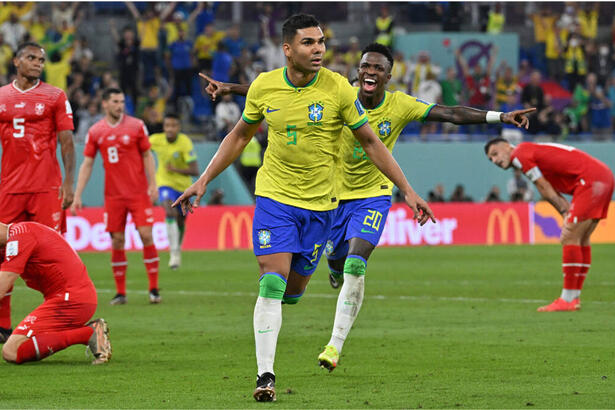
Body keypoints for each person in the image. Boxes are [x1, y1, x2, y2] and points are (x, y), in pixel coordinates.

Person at [200, 42, 535, 376]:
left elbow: (450, 113)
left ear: (388, 77)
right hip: (330, 197)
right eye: (365, 67)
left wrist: (501, 116)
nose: (370, 72)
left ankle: (334, 345)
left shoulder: (400, 105)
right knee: (336, 263)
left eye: (377, 69)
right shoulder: (337, 93)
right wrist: (230, 88)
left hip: (373, 194)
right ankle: (334, 267)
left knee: (356, 264)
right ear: (358, 72)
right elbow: (280, 91)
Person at [174, 15, 435, 402]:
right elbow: (239, 135)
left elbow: (372, 143)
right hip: (274, 199)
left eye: (321, 42)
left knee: (293, 292)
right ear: (287, 49)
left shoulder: (337, 90)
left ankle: (305, 282)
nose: (319, 50)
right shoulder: (264, 87)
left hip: (320, 209)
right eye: (309, 43)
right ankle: (265, 376)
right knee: (271, 283)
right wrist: (203, 179)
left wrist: (408, 191)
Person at [0, 42, 76, 344]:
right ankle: (3, 326)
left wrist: (69, 183)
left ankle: (56, 319)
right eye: (31, 58)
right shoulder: (1, 96)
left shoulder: (55, 96)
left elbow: (67, 142)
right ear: (17, 61)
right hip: (9, 189)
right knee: (2, 255)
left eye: (41, 60)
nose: (38, 64)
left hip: (46, 188)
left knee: (52, 258)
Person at [485, 138, 614, 312]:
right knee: (581, 238)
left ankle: (567, 299)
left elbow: (543, 186)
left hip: (589, 180)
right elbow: (550, 186)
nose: (495, 161)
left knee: (569, 237)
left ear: (508, 146)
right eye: (490, 160)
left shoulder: (519, 154)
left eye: (495, 154)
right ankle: (573, 298)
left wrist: (563, 212)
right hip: (601, 176)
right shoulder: (529, 151)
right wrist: (566, 210)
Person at [71, 88, 160, 306]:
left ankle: (154, 289)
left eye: (122, 101)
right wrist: (77, 194)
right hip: (113, 196)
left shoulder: (137, 125)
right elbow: (88, 163)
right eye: (115, 101)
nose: (120, 105)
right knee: (117, 240)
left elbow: (147, 155)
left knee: (146, 234)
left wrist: (153, 183)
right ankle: (120, 293)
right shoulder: (95, 131)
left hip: (138, 192)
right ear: (105, 104)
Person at [0, 221, 111, 365]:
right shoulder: (14, 238)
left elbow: (4, 283)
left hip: (71, 301)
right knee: (15, 348)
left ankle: (89, 333)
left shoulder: (20, 237)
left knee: (11, 352)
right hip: (70, 299)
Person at [149, 113, 199, 270]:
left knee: (181, 220)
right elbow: (140, 145)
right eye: (167, 126)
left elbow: (194, 170)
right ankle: (174, 253)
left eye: (173, 126)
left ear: (178, 127)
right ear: (164, 127)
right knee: (169, 211)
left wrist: (174, 169)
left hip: (183, 187)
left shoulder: (185, 143)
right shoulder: (156, 140)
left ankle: (177, 248)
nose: (170, 129)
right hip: (164, 184)